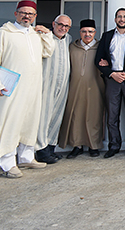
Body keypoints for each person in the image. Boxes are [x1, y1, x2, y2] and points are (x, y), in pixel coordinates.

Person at [0, 0, 55, 178]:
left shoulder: (34, 34)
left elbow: (47, 52)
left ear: (35, 16)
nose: (26, 16)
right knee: (10, 123)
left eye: (30, 14)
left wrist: (46, 34)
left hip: (32, 87)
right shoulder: (5, 33)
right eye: (23, 13)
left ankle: (26, 157)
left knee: (29, 122)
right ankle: (7, 162)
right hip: (11, 88)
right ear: (16, 14)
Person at [95, 8, 125, 158]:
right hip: (112, 81)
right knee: (112, 116)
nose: (122, 19)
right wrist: (111, 73)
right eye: (119, 17)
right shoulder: (107, 36)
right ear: (115, 19)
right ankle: (114, 145)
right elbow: (98, 60)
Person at [59, 19, 105, 158]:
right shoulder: (72, 47)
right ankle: (77, 145)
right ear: (80, 32)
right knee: (76, 115)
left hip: (95, 87)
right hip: (75, 87)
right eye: (84, 31)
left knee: (93, 116)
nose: (87, 34)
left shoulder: (100, 47)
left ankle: (93, 146)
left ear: (95, 32)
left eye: (90, 32)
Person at [35, 14, 72, 164]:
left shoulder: (68, 39)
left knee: (56, 117)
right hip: (46, 84)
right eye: (60, 25)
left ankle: (51, 148)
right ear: (53, 24)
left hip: (62, 84)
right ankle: (41, 151)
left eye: (66, 26)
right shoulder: (43, 37)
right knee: (43, 117)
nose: (63, 28)